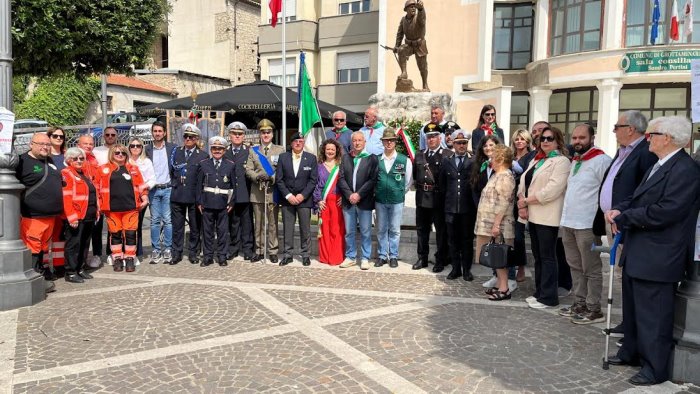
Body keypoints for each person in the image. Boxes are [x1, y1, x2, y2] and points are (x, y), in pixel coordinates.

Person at [606, 116, 700, 386]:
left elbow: (666, 212)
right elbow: (638, 196)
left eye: (652, 134)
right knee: (635, 310)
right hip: (641, 250)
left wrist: (625, 217)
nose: (648, 138)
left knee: (654, 316)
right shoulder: (660, 164)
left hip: (660, 255)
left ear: (667, 138)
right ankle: (631, 352)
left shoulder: (685, 169)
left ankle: (654, 368)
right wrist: (620, 208)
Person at [594, 110, 657, 339]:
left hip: (626, 222)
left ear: (630, 129)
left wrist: (624, 215)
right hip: (613, 220)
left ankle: (632, 325)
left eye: (617, 127)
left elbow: (643, 192)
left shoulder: (645, 152)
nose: (613, 131)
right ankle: (627, 322)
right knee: (620, 275)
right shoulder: (622, 151)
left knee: (628, 274)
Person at [558, 124, 611, 324]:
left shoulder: (602, 160)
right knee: (575, 266)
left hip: (587, 224)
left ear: (592, 138)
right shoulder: (576, 160)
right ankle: (578, 303)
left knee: (592, 268)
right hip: (569, 223)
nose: (577, 141)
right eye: (575, 138)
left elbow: (607, 192)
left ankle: (594, 308)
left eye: (582, 137)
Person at [517, 126, 571, 309]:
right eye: (542, 139)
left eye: (550, 138)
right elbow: (524, 182)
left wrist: (526, 200)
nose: (545, 141)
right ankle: (540, 291)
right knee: (539, 256)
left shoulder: (561, 161)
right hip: (533, 215)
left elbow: (553, 190)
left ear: (558, 141)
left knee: (548, 257)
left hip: (548, 215)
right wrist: (521, 201)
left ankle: (549, 297)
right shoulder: (536, 160)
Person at [472, 135, 520, 293]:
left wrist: (496, 225)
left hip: (499, 226)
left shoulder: (506, 176)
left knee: (499, 258)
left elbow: (503, 203)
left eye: (493, 157)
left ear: (500, 159)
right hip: (488, 224)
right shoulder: (497, 175)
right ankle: (500, 284)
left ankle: (504, 288)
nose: (490, 159)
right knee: (495, 258)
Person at [17, 133, 63, 293]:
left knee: (42, 247)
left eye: (47, 144)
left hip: (50, 215)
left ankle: (40, 275)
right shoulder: (21, 161)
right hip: (33, 216)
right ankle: (34, 282)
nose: (45, 147)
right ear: (31, 144)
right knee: (33, 248)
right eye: (41, 144)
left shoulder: (49, 160)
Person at [96, 145, 148, 272]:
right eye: (117, 153)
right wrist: (98, 203)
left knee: (130, 234)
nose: (120, 155)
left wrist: (145, 198)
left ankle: (130, 258)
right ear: (111, 154)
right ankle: (117, 258)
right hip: (112, 209)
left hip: (130, 207)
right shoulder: (103, 169)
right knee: (115, 235)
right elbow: (97, 188)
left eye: (123, 153)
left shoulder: (133, 168)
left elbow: (141, 186)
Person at [413, 123, 453, 272]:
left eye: (434, 136)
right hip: (422, 197)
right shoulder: (420, 154)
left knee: (441, 232)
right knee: (422, 230)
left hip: (438, 199)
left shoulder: (447, 155)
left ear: (440, 137)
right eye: (428, 137)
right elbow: (415, 176)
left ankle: (440, 260)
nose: (431, 139)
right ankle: (422, 258)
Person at [438, 130, 476, 281]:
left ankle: (467, 269)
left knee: (466, 240)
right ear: (453, 144)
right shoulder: (446, 161)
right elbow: (442, 186)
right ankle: (456, 269)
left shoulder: (473, 161)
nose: (462, 145)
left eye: (464, 143)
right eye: (459, 143)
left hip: (467, 209)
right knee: (452, 240)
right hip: (450, 208)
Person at [245, 118, 285, 264]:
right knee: (259, 223)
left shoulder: (280, 150)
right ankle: (259, 250)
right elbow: (248, 169)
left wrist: (272, 177)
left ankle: (273, 250)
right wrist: (257, 177)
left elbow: (282, 169)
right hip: (257, 191)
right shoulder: (253, 150)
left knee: (273, 223)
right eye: (263, 132)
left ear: (272, 134)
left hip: (273, 192)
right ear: (260, 135)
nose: (266, 134)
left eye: (268, 132)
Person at [338, 132, 379, 270]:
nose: (357, 143)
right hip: (348, 201)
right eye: (354, 140)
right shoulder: (345, 158)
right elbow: (341, 178)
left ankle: (365, 258)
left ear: (364, 142)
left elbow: (372, 180)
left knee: (365, 231)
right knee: (349, 231)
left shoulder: (372, 159)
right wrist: (350, 194)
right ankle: (350, 256)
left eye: (359, 140)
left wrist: (359, 194)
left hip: (364, 201)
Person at [276, 133, 318, 266]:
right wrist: (288, 195)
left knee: (305, 229)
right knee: (288, 228)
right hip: (287, 200)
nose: (298, 143)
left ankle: (305, 254)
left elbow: (313, 180)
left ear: (303, 143)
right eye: (295, 141)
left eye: (300, 141)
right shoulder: (283, 157)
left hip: (304, 200)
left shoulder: (311, 158)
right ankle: (288, 254)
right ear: (291, 143)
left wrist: (303, 195)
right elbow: (279, 179)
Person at [375, 128, 412, 268]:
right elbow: (373, 179)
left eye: (391, 140)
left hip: (396, 200)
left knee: (395, 229)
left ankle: (394, 256)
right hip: (380, 200)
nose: (389, 142)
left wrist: (399, 192)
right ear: (383, 142)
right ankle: (382, 255)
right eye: (386, 140)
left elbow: (408, 181)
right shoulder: (377, 159)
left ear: (395, 142)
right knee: (381, 229)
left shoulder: (404, 160)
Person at [170, 124, 207, 265]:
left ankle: (193, 252)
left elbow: (202, 179)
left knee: (195, 227)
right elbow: (172, 172)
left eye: (191, 137)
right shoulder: (176, 152)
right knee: (177, 227)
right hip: (177, 195)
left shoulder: (203, 155)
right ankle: (176, 253)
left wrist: (200, 199)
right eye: (186, 136)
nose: (188, 139)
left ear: (197, 139)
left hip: (193, 197)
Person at [196, 136, 236, 267]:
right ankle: (207, 256)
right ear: (211, 149)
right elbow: (199, 186)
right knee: (207, 231)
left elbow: (234, 186)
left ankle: (222, 256)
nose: (217, 151)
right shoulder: (203, 164)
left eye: (220, 149)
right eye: (214, 148)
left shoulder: (230, 165)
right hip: (207, 203)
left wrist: (231, 203)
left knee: (222, 231)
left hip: (223, 204)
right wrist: (199, 202)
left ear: (224, 150)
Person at [61, 147, 99, 283]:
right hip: (76, 216)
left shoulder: (84, 173)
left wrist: (97, 211)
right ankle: (70, 271)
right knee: (74, 244)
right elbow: (66, 197)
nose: (79, 161)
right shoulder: (66, 173)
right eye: (75, 158)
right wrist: (71, 216)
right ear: (68, 160)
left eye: (81, 158)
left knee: (84, 244)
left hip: (88, 215)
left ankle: (80, 268)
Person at [145, 121, 176, 264]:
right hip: (153, 190)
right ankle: (156, 249)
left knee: (168, 221)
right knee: (155, 221)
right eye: (155, 131)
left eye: (159, 131)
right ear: (152, 133)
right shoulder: (147, 149)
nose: (157, 133)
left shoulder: (172, 148)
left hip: (168, 188)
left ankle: (168, 248)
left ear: (164, 133)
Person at [223, 121, 255, 261]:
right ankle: (234, 248)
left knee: (247, 223)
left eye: (240, 134)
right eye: (234, 134)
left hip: (246, 193)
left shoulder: (249, 151)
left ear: (244, 136)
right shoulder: (224, 151)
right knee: (233, 223)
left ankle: (248, 249)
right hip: (230, 195)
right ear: (229, 135)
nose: (237, 136)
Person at [313, 139, 346, 266]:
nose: (330, 151)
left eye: (333, 149)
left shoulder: (341, 166)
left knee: (337, 230)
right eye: (328, 149)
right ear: (324, 151)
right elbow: (315, 185)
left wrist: (344, 196)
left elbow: (346, 183)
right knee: (325, 230)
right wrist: (318, 200)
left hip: (338, 203)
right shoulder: (318, 167)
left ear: (337, 150)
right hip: (324, 203)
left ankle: (336, 257)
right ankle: (325, 256)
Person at [511, 129, 534, 281]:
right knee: (510, 236)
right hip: (508, 198)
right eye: (517, 139)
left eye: (522, 139)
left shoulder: (531, 156)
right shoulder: (510, 156)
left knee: (519, 236)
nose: (519, 141)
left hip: (522, 199)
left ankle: (521, 267)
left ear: (527, 141)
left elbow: (527, 176)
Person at [128, 137, 156, 262]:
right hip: (127, 196)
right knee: (127, 224)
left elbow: (152, 179)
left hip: (141, 195)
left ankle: (137, 249)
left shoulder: (146, 161)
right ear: (129, 148)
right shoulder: (125, 160)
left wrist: (143, 186)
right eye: (133, 146)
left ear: (142, 148)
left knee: (137, 223)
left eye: (138, 146)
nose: (135, 148)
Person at [77, 134, 103, 268]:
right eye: (85, 144)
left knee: (96, 230)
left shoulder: (94, 159)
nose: (88, 146)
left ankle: (96, 255)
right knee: (81, 234)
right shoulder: (75, 159)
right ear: (78, 145)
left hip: (95, 200)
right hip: (80, 203)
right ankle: (80, 260)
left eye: (90, 144)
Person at [394, 0, 429, 91]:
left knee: (422, 66)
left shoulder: (418, 17)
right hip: (409, 45)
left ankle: (425, 84)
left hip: (419, 44)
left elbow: (422, 18)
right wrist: (397, 46)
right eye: (411, 6)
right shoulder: (403, 20)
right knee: (401, 50)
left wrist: (421, 9)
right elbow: (400, 34)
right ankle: (404, 72)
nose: (413, 8)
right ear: (406, 9)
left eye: (414, 6)